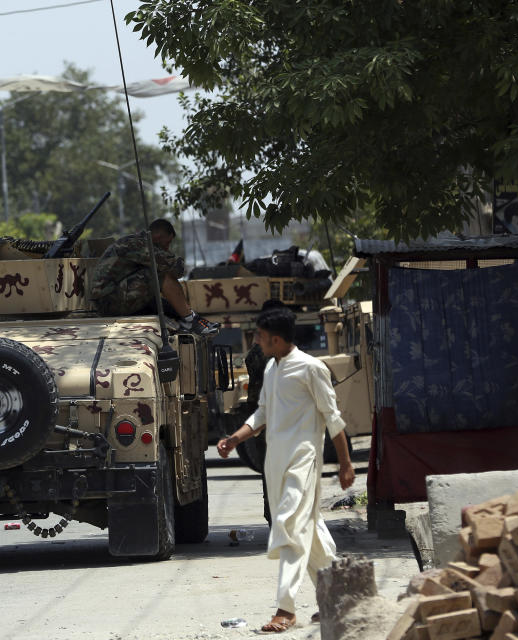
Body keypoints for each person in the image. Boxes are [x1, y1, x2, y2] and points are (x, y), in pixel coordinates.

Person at [217, 307, 356, 633]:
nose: (256, 342)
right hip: (276, 463)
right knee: (309, 530)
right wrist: (234, 439)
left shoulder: (312, 369)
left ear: (276, 339)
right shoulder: (272, 371)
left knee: (289, 526)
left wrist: (345, 464)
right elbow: (262, 413)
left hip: (304, 461)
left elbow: (333, 420)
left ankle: (286, 609)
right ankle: (338, 596)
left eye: (260, 337)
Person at [89, 218, 219, 335]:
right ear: (157, 238)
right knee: (161, 274)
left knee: (163, 304)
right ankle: (191, 321)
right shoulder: (139, 245)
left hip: (114, 298)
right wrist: (169, 257)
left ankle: (191, 319)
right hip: (109, 301)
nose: (168, 248)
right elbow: (177, 269)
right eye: (167, 243)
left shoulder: (135, 242)